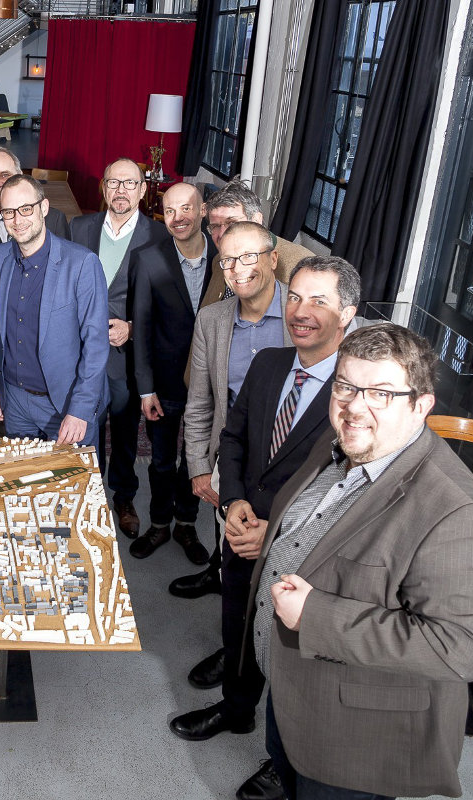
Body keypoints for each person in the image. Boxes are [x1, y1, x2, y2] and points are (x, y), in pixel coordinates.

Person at [249, 323, 473, 799]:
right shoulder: (341, 442)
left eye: (381, 393)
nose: (354, 407)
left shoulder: (459, 511)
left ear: (421, 405)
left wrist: (315, 616)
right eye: (345, 386)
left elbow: (459, 649)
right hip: (290, 691)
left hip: (351, 738)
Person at [170, 257, 360, 799]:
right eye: (294, 297)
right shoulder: (269, 363)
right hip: (241, 530)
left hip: (303, 553)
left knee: (291, 659)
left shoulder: (357, 394)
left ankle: (284, 762)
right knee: (238, 626)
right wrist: (233, 502)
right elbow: (234, 439)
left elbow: (347, 489)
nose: (301, 311)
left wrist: (272, 529)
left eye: (319, 301)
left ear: (347, 313)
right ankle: (236, 710)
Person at [175, 221, 290, 602]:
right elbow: (200, 402)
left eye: (248, 257)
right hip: (233, 456)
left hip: (290, 459)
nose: (237, 269)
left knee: (283, 559)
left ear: (273, 259)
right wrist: (199, 465)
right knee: (232, 547)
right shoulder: (212, 320)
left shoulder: (301, 313)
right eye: (227, 260)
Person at [70, 157, 167, 539]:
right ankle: (86, 493)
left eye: (129, 183)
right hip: (82, 352)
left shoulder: (159, 237)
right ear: (104, 187)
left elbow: (167, 304)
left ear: (142, 190)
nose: (121, 190)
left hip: (127, 356)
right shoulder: (79, 228)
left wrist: (132, 328)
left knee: (125, 429)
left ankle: (124, 497)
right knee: (83, 423)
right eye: (113, 182)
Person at [0, 174, 109, 447]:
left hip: (64, 403)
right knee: (24, 474)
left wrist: (80, 410)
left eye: (26, 209)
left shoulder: (82, 264)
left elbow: (96, 346)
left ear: (44, 207)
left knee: (71, 476)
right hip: (14, 401)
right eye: (9, 212)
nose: (18, 220)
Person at [129, 181, 211, 561]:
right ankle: (159, 523)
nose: (178, 218)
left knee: (195, 462)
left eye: (186, 208)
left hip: (208, 387)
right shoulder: (148, 259)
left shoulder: (225, 258)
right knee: (162, 462)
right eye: (170, 210)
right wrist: (145, 389)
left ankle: (186, 524)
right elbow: (142, 328)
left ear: (203, 211)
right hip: (164, 385)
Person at [0, 146, 70, 331]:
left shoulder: (53, 220)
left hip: (44, 332)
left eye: (4, 175)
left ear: (20, 175)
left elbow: (66, 287)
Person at [200, 180, 312, 309]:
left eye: (232, 223)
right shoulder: (219, 262)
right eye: (215, 226)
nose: (223, 234)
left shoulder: (302, 266)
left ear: (256, 220)